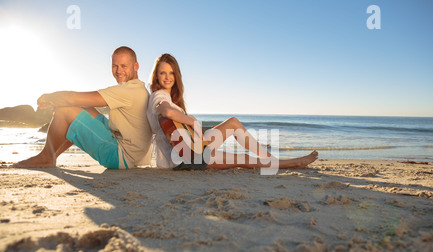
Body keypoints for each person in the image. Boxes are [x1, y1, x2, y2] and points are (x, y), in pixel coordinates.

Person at [147, 53, 318, 172]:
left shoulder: (171, 98)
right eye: (162, 73)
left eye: (171, 73)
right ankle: (292, 163)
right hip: (181, 159)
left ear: (177, 76)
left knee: (233, 123)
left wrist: (197, 128)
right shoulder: (159, 95)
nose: (167, 77)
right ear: (156, 76)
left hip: (191, 148)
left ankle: (271, 158)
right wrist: (190, 120)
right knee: (242, 159)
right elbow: (167, 112)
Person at [13, 46, 152, 169]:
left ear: (136, 66)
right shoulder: (139, 89)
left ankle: (46, 157)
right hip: (135, 156)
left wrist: (49, 97)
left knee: (65, 111)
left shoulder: (127, 91)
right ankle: (53, 155)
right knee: (86, 109)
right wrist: (64, 103)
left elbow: (73, 97)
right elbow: (81, 102)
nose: (118, 71)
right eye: (114, 66)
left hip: (122, 158)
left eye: (123, 66)